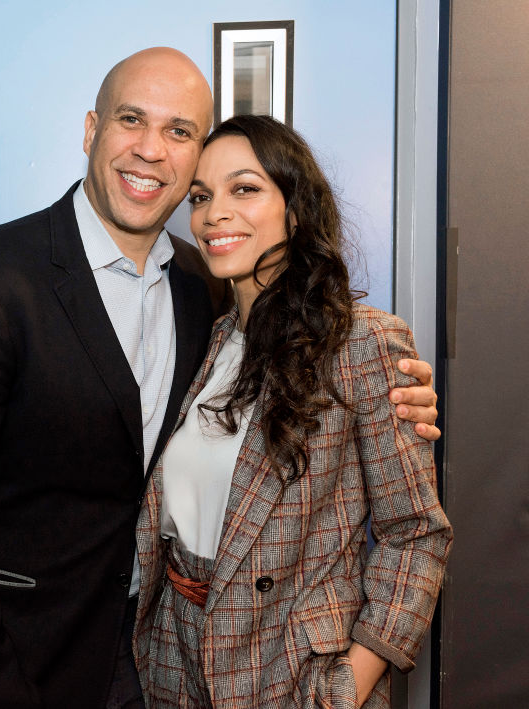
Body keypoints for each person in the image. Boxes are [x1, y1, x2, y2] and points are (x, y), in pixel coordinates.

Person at [0, 48, 440, 709]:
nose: (152, 150)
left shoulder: (199, 287)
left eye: (179, 131)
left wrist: (398, 398)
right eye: (132, 120)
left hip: (160, 664)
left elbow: (406, 521)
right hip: (15, 659)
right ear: (91, 130)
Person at [133, 115, 452, 709]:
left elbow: (416, 533)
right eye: (200, 196)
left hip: (290, 671)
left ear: (296, 210)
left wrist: (347, 685)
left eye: (244, 188)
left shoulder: (361, 343)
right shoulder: (208, 336)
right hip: (175, 657)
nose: (214, 213)